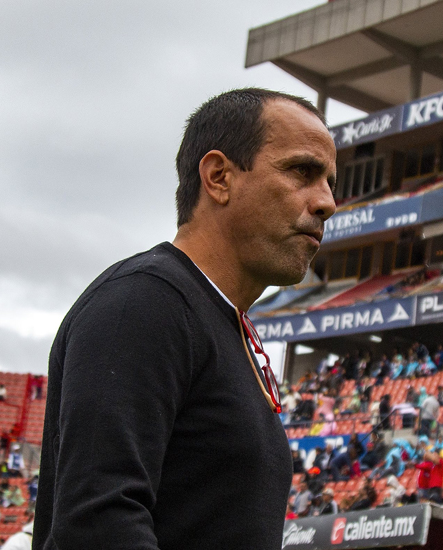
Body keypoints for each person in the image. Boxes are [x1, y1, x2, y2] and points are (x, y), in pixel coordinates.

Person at [34, 89, 337, 549]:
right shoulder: (144, 303)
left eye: (330, 182)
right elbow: (97, 524)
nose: (326, 202)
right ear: (218, 177)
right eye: (302, 172)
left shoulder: (223, 324)